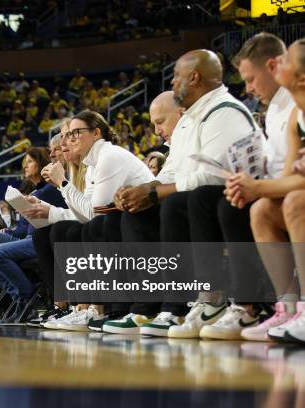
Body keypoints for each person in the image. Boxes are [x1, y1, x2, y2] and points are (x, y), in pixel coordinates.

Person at [110, 50, 258, 337]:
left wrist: (155, 193)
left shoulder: (224, 111)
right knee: (135, 215)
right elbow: (170, 174)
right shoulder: (189, 121)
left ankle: (206, 300)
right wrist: (141, 191)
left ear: (194, 77)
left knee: (184, 201)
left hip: (232, 201)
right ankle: (151, 306)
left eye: (176, 75)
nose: (173, 81)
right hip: (204, 204)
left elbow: (215, 174)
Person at [179, 33, 296, 341]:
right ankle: (219, 300)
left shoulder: (291, 106)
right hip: (282, 187)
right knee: (213, 198)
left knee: (263, 204)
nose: (248, 89)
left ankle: (259, 305)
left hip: (291, 193)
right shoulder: (274, 110)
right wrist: (250, 183)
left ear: (273, 66)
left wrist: (258, 187)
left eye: (250, 79)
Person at [28, 110, 154, 329]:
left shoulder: (109, 156)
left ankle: (105, 307)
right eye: (67, 135)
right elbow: (85, 213)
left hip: (145, 223)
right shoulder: (93, 165)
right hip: (123, 222)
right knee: (67, 230)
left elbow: (93, 213)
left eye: (76, 133)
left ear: (96, 133)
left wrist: (63, 184)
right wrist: (58, 200)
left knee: (89, 228)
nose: (68, 139)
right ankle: (80, 307)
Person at [226, 39, 305, 344]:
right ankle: (287, 307)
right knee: (262, 209)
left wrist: (257, 186)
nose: (278, 63)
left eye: (285, 61)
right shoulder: (292, 116)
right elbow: (287, 177)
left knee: (296, 201)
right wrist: (254, 188)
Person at [0, 146, 67, 322]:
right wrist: (9, 230)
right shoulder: (36, 191)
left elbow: (36, 227)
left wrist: (13, 230)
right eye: (25, 162)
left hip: (38, 240)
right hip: (23, 237)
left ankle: (25, 297)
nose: (25, 166)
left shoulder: (49, 190)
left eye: (30, 161)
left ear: (41, 163)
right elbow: (24, 228)